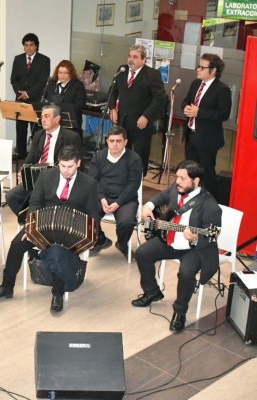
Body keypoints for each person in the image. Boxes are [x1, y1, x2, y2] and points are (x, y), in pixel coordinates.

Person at [0, 146, 100, 312]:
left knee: (58, 252)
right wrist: (30, 226)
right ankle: (7, 286)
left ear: (78, 163)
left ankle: (57, 293)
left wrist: (92, 235)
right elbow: (34, 203)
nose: (66, 170)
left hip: (70, 231)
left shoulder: (89, 184)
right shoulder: (46, 176)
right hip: (43, 225)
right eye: (62, 166)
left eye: (70, 166)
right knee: (17, 244)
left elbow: (93, 213)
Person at [131, 160, 221, 333]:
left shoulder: (211, 206)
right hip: (171, 240)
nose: (177, 181)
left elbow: (212, 236)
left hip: (194, 249)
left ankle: (180, 312)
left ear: (196, 181)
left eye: (183, 178)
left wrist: (195, 238)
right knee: (142, 253)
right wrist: (148, 205)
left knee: (186, 273)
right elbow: (163, 195)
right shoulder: (177, 187)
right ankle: (152, 292)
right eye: (177, 176)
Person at [5, 104, 81, 222]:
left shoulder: (71, 137)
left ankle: (42, 223)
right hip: (36, 178)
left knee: (45, 200)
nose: (43, 120)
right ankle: (31, 223)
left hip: (57, 178)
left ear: (57, 119)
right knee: (11, 196)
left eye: (46, 116)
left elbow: (75, 164)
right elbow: (31, 158)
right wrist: (24, 171)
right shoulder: (38, 135)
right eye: (42, 117)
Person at [108, 44, 166, 176]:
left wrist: (147, 116)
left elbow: (159, 98)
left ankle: (138, 181)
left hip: (141, 123)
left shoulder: (152, 74)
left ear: (143, 60)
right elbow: (113, 91)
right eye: (129, 56)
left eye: (135, 57)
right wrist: (112, 108)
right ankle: (120, 176)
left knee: (140, 154)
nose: (131, 60)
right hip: (122, 121)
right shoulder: (122, 71)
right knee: (121, 153)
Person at [182, 53, 232, 198]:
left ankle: (209, 200)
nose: (198, 69)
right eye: (198, 66)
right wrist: (185, 107)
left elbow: (223, 114)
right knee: (190, 170)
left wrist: (199, 112)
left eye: (202, 67)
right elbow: (186, 101)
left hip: (208, 139)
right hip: (191, 135)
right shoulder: (195, 83)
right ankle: (190, 197)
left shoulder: (222, 89)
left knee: (206, 172)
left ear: (213, 70)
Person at [89, 125, 143, 257]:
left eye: (118, 141)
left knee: (127, 222)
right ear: (107, 141)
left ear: (125, 142)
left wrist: (118, 203)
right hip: (102, 197)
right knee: (87, 215)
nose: (114, 144)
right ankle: (100, 240)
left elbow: (133, 185)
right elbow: (93, 180)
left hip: (125, 199)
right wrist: (102, 198)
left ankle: (122, 243)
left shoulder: (134, 158)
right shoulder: (98, 157)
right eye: (111, 141)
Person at [11, 33, 51, 159]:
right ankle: (21, 153)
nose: (28, 48)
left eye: (31, 45)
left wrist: (28, 94)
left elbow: (42, 81)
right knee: (21, 129)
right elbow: (14, 79)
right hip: (20, 99)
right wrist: (20, 93)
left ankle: (36, 156)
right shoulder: (18, 59)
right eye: (26, 45)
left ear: (36, 46)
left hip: (36, 100)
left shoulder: (44, 60)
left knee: (36, 130)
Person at [42, 60, 87, 138]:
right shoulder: (51, 83)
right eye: (60, 73)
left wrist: (63, 108)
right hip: (53, 122)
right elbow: (45, 99)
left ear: (71, 74)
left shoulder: (78, 85)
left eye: (65, 73)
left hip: (71, 124)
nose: (62, 75)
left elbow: (80, 105)